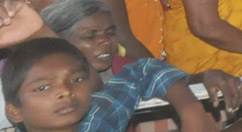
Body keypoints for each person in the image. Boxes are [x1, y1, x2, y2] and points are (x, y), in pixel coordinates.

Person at [0, 37, 222, 132]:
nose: (66, 91)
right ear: (14, 112)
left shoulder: (99, 119)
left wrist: (191, 111)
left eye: (76, 80)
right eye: (43, 87)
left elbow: (142, 71)